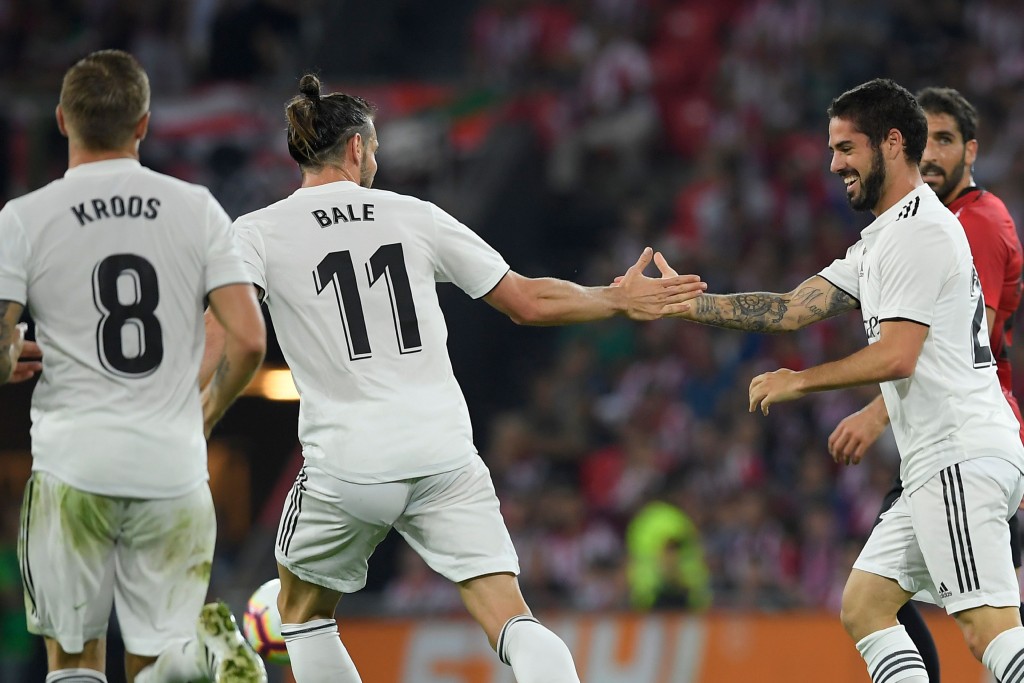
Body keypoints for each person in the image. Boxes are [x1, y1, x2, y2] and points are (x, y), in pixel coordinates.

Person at [201, 73, 706, 683]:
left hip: (349, 459)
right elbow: (526, 301)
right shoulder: (415, 216)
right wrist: (615, 298)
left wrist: (187, 412)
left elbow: (224, 330)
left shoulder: (257, 230)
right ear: (356, 148)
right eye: (375, 147)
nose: (376, 158)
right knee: (510, 617)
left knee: (303, 615)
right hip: (443, 451)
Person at [658, 78, 1024, 683]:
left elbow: (898, 356)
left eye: (847, 148)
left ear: (891, 143)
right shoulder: (884, 238)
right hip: (939, 462)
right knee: (866, 604)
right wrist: (685, 304)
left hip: (958, 456)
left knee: (989, 629)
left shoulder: (919, 232)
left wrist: (799, 381)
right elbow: (790, 309)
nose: (834, 165)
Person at [0, 50, 268, 683]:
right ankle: (194, 659)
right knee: (156, 657)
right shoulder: (197, 207)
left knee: (73, 659)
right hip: (172, 466)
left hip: (74, 467)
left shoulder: (24, 217)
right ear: (144, 124)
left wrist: (8, 358)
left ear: (62, 120)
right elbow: (249, 339)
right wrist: (206, 411)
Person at [827, 86, 1024, 683]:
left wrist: (874, 413)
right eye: (927, 138)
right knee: (868, 602)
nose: (932, 153)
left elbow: (960, 337)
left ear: (971, 150)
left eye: (945, 140)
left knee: (987, 627)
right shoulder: (908, 227)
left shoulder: (969, 223)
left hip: (961, 440)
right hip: (941, 443)